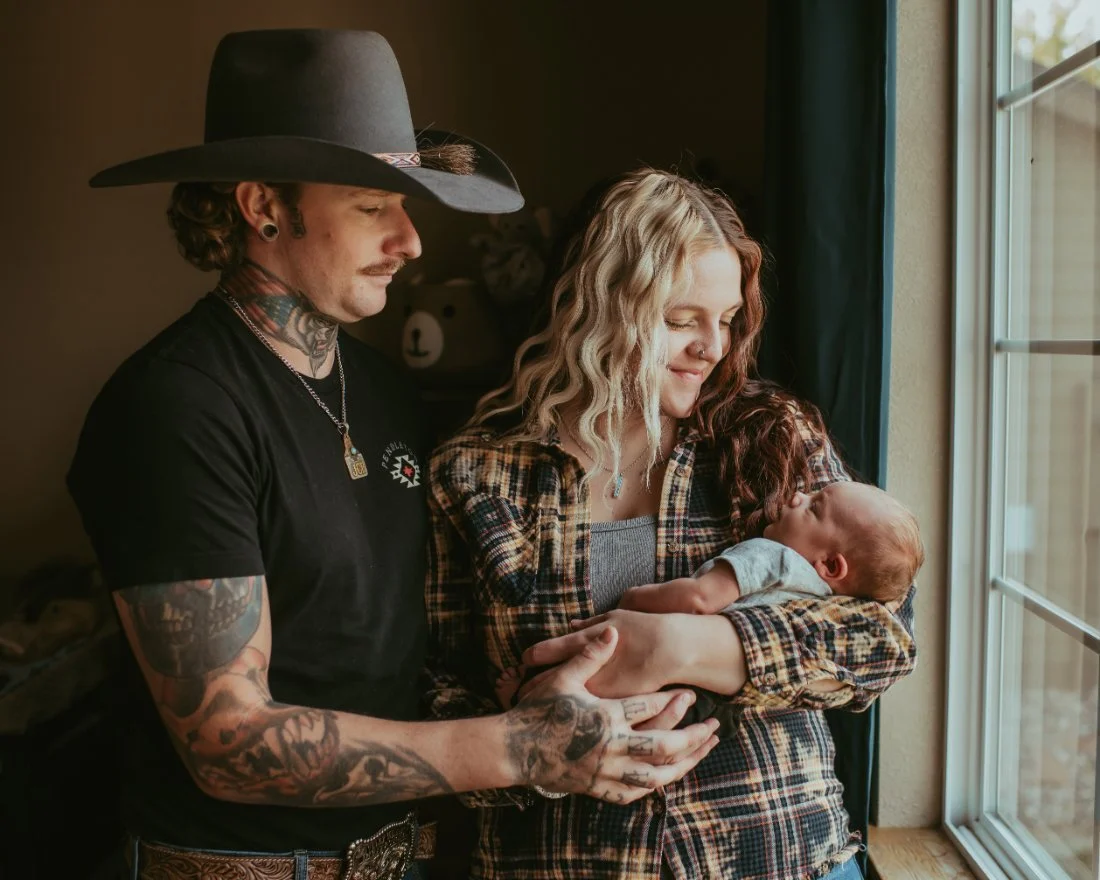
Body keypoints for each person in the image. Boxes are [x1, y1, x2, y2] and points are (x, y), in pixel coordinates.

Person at [66, 31, 717, 880]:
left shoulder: (381, 389)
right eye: (374, 206)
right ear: (264, 207)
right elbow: (226, 741)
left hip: (397, 859)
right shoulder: (174, 407)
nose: (411, 242)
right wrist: (519, 748)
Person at [426, 168, 918, 879]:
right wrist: (531, 741)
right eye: (683, 320)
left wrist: (689, 643)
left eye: (725, 321)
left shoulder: (774, 437)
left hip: (781, 857)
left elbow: (884, 639)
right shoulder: (473, 473)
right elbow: (435, 684)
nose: (713, 348)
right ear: (602, 307)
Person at [620, 481, 924, 614]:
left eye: (815, 507)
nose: (798, 496)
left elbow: (699, 598)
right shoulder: (823, 604)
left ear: (830, 565)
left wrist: (633, 598)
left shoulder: (774, 558)